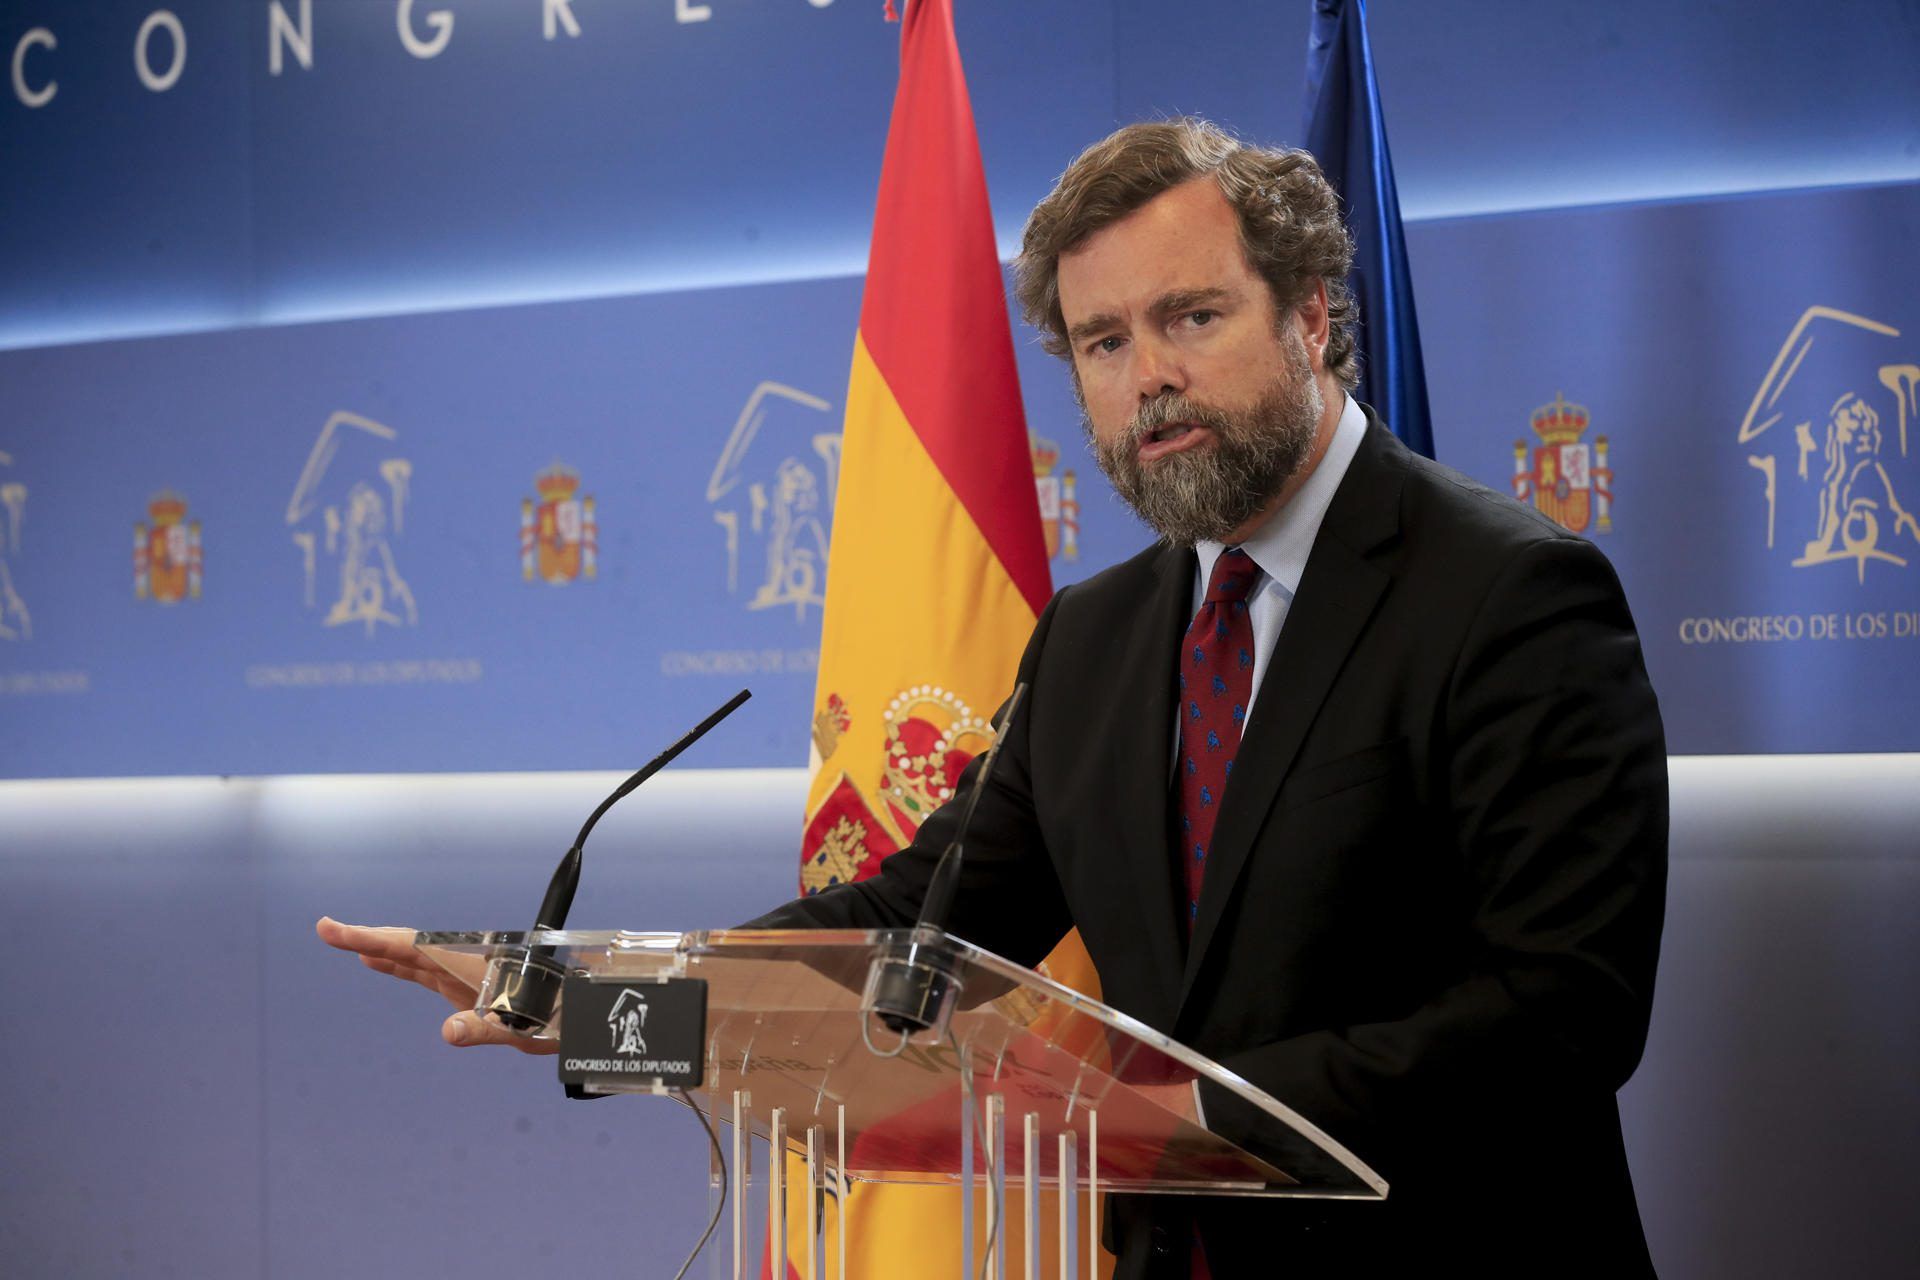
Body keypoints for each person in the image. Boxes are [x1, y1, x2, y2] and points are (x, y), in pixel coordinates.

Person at [323, 119, 1668, 1278]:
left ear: (1311, 314)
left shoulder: (1509, 593)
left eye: (1192, 318)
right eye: (1102, 342)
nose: (1148, 377)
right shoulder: (1094, 638)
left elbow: (1563, 1012)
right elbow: (914, 928)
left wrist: (1177, 1111)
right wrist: (601, 1005)